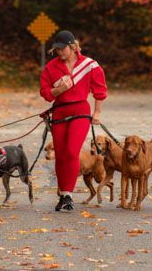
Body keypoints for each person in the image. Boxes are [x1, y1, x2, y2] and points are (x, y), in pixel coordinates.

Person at [39, 30, 107, 212]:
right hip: (60, 112)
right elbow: (45, 93)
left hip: (81, 111)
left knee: (71, 151)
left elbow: (100, 89)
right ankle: (62, 194)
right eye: (56, 50)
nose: (59, 53)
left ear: (72, 47)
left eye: (62, 49)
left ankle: (68, 194)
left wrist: (97, 112)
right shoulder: (51, 67)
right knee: (60, 155)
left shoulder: (89, 65)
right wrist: (58, 90)